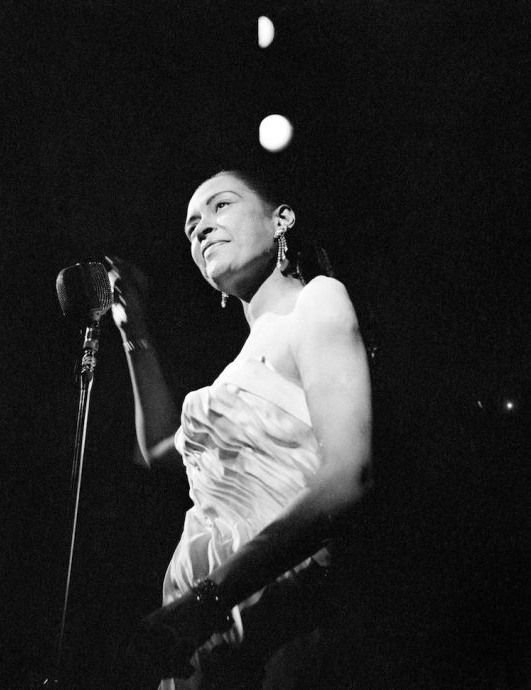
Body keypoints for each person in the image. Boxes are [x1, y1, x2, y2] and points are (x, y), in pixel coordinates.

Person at [106, 167, 372, 689]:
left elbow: (348, 476)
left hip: (275, 619)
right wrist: (131, 326)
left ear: (281, 220)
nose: (201, 228)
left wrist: (206, 601)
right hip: (207, 638)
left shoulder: (316, 301)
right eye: (191, 227)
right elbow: (159, 449)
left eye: (221, 206)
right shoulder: (235, 370)